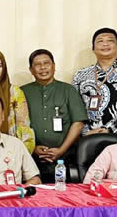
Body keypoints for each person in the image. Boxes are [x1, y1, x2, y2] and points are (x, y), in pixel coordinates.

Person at [20, 49, 87, 183]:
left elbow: (78, 123)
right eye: (37, 64)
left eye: (46, 63)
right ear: (31, 70)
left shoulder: (68, 90)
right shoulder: (22, 92)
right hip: (31, 159)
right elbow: (18, 125)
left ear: (54, 66)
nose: (43, 67)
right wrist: (32, 148)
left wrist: (61, 150)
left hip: (65, 158)